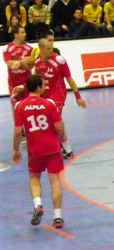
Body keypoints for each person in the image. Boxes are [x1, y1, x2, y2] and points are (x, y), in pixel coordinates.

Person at [12, 75, 67, 228]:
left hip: (35, 150)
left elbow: (18, 132)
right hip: (53, 147)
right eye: (43, 84)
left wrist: (16, 149)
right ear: (38, 87)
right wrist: (63, 142)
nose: (45, 86)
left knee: (34, 178)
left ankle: (38, 205)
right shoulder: (49, 103)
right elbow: (59, 127)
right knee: (55, 181)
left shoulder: (20, 106)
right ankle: (57, 217)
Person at [33, 38, 86, 158]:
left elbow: (69, 78)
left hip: (58, 94)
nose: (51, 50)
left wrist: (78, 97)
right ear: (41, 49)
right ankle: (61, 147)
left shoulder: (59, 60)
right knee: (50, 122)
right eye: (48, 49)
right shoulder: (37, 61)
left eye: (51, 48)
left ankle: (67, 149)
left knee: (54, 121)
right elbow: (36, 79)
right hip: (45, 94)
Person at [3, 26, 32, 106]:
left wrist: (17, 63)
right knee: (16, 106)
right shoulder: (7, 48)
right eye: (22, 32)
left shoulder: (29, 48)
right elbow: (11, 65)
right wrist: (23, 62)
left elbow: (30, 66)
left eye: (25, 32)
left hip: (26, 83)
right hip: (13, 83)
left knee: (28, 106)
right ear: (15, 35)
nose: (25, 34)